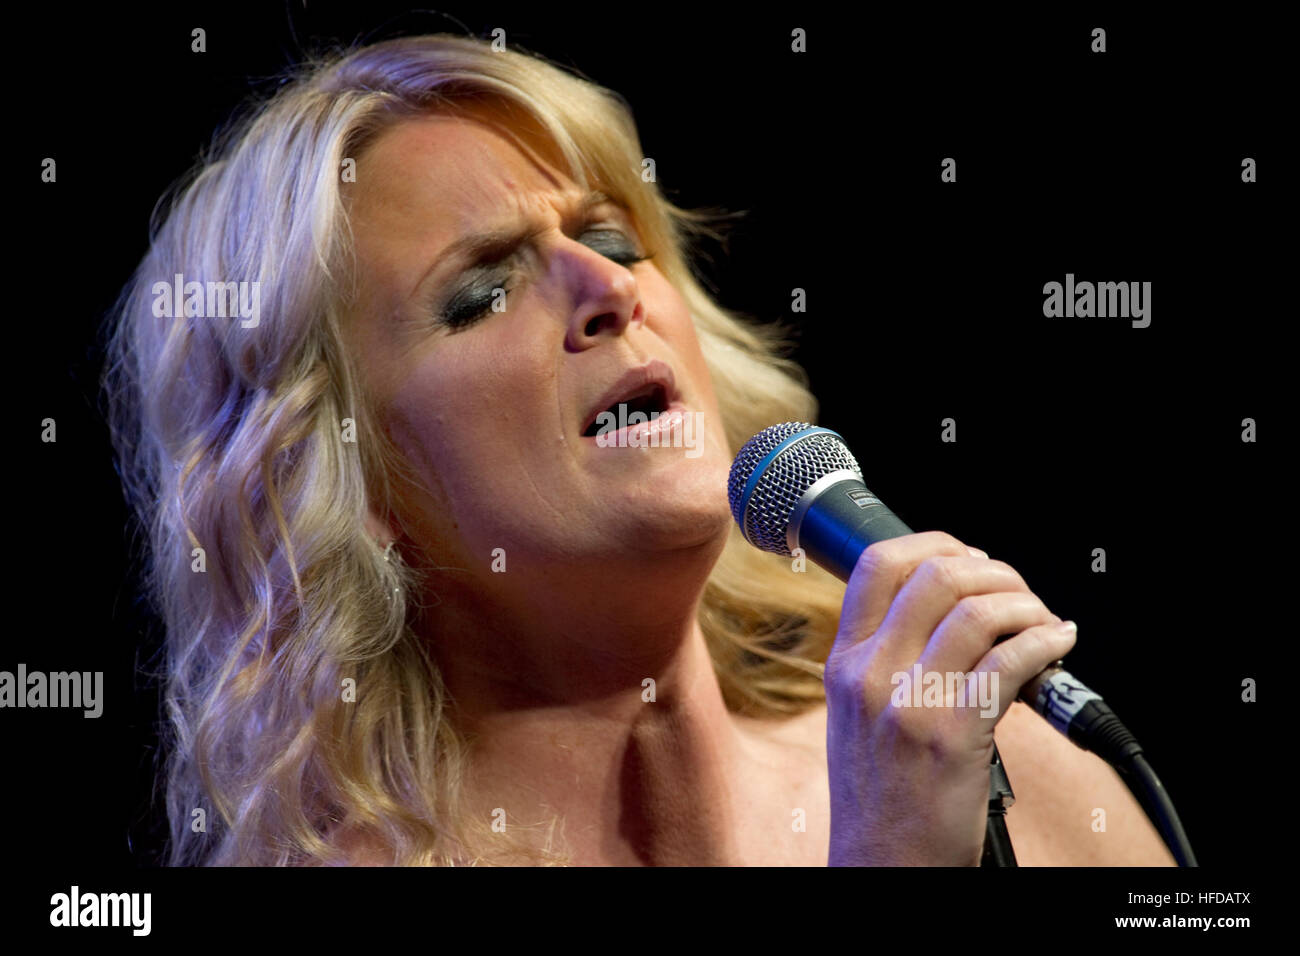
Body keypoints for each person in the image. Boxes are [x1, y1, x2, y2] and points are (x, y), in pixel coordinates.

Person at [102, 33, 1175, 866]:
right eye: (481, 293)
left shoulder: (1008, 772)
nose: (608, 287)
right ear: (347, 479)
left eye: (610, 238)